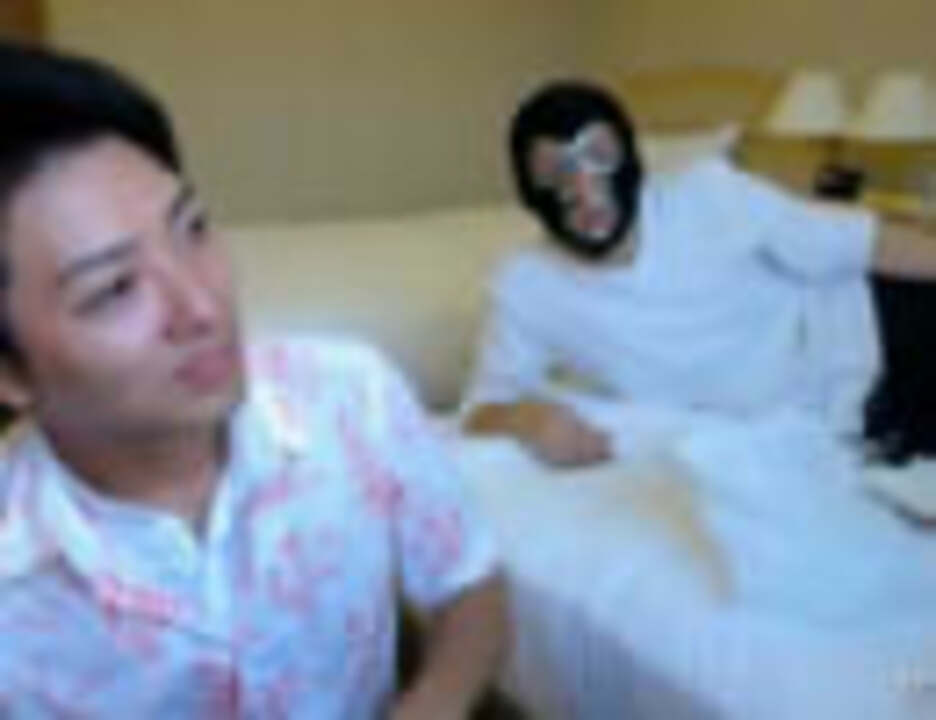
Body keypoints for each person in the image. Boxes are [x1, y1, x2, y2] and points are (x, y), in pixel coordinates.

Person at [0, 42, 505, 718]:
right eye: (115, 288)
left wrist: (435, 701)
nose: (202, 307)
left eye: (193, 230)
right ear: (10, 372)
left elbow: (468, 582)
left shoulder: (351, 396)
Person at [463, 80, 936, 467]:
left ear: (630, 157)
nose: (585, 190)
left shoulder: (709, 194)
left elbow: (859, 242)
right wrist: (526, 421)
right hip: (842, 422)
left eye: (599, 155)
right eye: (556, 171)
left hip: (875, 320)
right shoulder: (526, 284)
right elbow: (481, 408)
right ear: (530, 192)